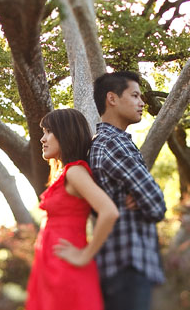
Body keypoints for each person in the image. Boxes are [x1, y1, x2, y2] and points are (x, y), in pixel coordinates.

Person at [25, 108, 120, 310]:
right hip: (50, 268)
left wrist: (85, 255)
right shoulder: (62, 174)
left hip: (66, 270)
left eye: (49, 132)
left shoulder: (75, 171)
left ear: (66, 134)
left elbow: (109, 212)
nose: (43, 139)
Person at [88, 71, 167, 310]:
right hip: (127, 265)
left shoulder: (104, 143)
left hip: (120, 266)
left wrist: (141, 196)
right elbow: (155, 204)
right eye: (134, 95)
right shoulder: (113, 143)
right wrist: (145, 198)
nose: (142, 103)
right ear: (112, 98)